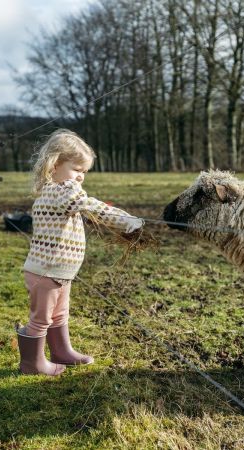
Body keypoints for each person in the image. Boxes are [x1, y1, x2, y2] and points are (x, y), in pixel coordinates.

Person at [17, 129, 144, 376]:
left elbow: (81, 205)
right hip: (46, 272)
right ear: (55, 165)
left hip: (59, 271)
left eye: (84, 172)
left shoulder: (60, 191)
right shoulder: (61, 190)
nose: (81, 177)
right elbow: (87, 204)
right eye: (77, 169)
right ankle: (32, 364)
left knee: (59, 313)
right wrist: (123, 220)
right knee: (41, 319)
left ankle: (61, 351)